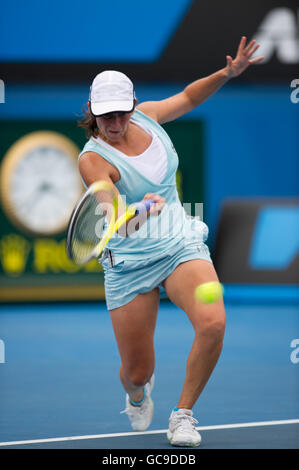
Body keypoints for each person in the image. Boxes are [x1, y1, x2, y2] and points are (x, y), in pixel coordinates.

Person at [78, 36, 263, 447]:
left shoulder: (148, 117)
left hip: (179, 244)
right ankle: (137, 394)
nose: (115, 122)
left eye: (121, 112)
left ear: (132, 105)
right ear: (92, 111)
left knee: (213, 322)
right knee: (137, 372)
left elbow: (188, 97)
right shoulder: (93, 159)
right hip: (129, 263)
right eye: (105, 114)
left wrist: (227, 73)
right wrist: (139, 211)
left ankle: (182, 415)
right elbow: (113, 225)